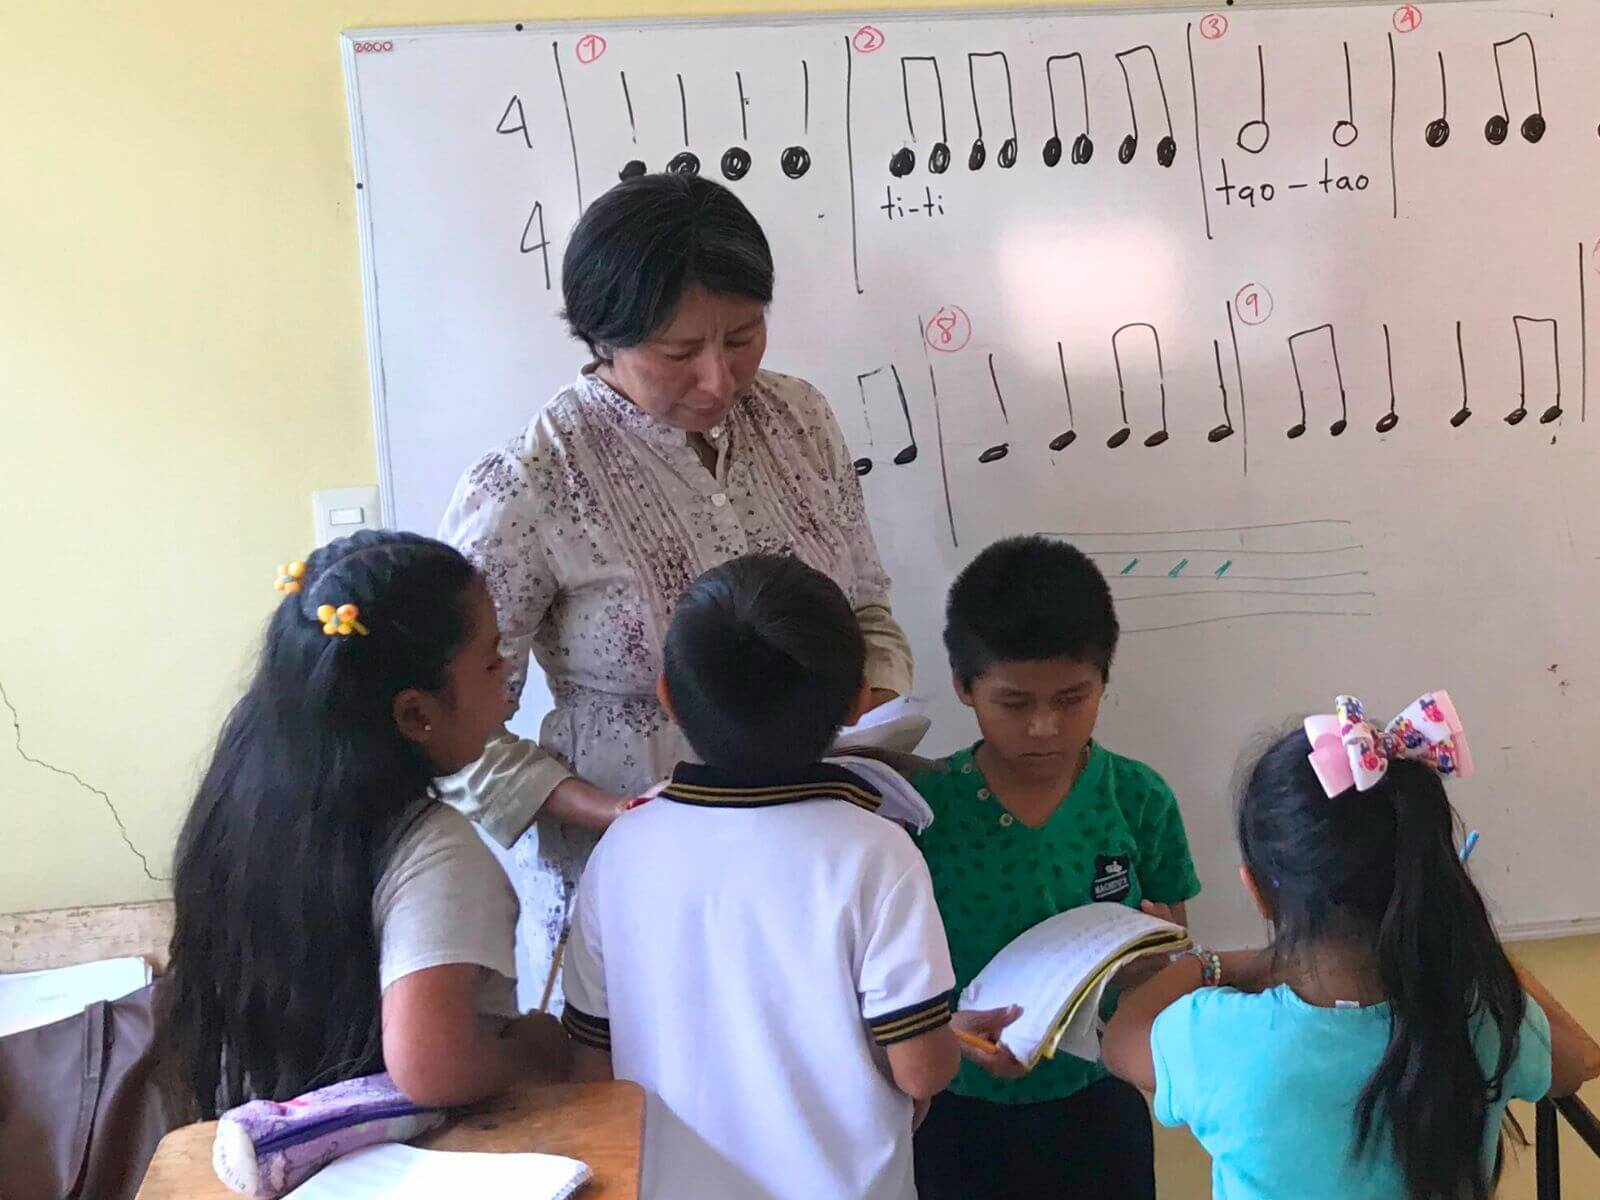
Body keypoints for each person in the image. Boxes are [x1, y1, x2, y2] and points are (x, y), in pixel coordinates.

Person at [439, 173, 911, 1010]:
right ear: (603, 338)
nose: (719, 380)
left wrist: (860, 700)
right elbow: (448, 729)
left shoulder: (801, 420)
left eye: (743, 336)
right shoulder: (531, 481)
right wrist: (607, 810)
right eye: (678, 352)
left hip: (812, 865)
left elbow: (867, 604)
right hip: (632, 878)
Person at [560, 554, 957, 1200]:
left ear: (668, 696)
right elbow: (921, 1071)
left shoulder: (622, 849)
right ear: (860, 700)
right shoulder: (879, 851)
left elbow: (590, 1064)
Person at [1101, 693, 1589, 1200]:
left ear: (1259, 892)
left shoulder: (1218, 1039)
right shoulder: (1481, 1016)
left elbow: (1120, 1041)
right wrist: (1474, 949)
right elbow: (1574, 1063)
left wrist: (1206, 965)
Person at [158, 531, 568, 1117]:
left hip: (260, 1136)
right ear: (417, 714)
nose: (506, 672)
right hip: (401, 1155)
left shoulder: (240, 797)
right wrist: (533, 1049)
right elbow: (433, 1066)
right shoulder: (436, 853)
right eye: (489, 659)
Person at [911, 536, 1199, 1200]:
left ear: (1104, 681)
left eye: (1072, 698)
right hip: (954, 1110)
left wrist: (1151, 971)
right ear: (963, 686)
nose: (1045, 727)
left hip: (1097, 1103)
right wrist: (943, 1037)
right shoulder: (923, 810)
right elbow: (884, 979)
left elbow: (1173, 952)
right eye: (1015, 703)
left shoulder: (1137, 798)